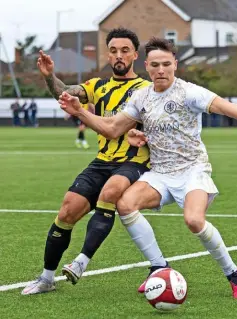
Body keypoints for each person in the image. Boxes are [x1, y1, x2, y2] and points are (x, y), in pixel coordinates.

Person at [58, 37, 237, 299]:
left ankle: (233, 273)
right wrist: (81, 113)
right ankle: (159, 268)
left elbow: (228, 108)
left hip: (193, 170)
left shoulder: (189, 92)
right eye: (155, 65)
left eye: (166, 64)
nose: (161, 70)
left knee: (194, 220)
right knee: (125, 204)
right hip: (160, 173)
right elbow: (112, 128)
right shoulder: (141, 97)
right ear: (147, 66)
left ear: (175, 64)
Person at [22, 28, 169, 295]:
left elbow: (162, 127)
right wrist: (49, 77)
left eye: (125, 50)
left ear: (135, 55)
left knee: (110, 192)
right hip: (102, 160)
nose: (119, 55)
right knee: (67, 210)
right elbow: (66, 94)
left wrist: (146, 135)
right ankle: (46, 279)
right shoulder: (97, 86)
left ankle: (81, 262)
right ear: (108, 55)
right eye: (113, 51)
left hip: (133, 162)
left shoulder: (147, 90)